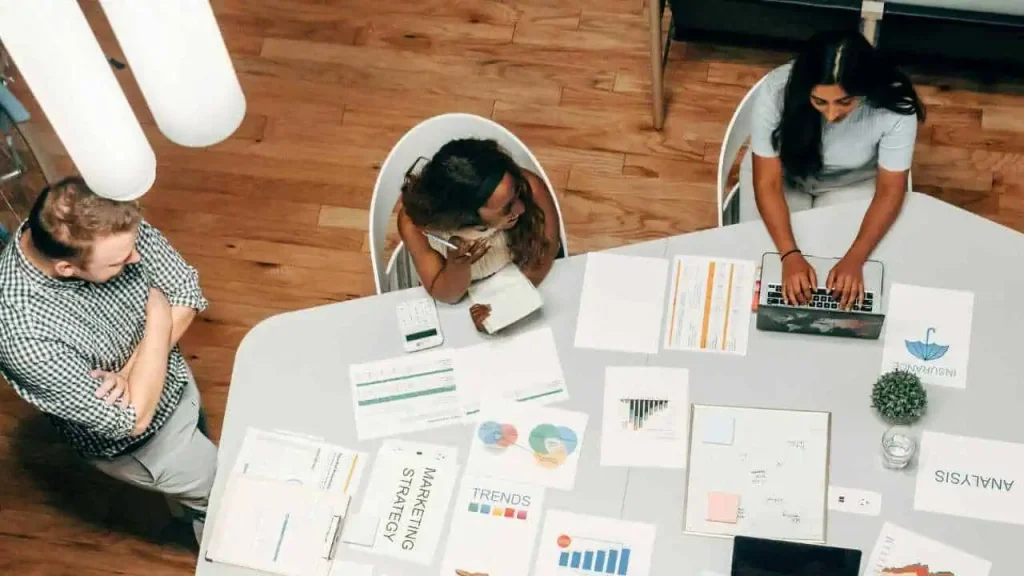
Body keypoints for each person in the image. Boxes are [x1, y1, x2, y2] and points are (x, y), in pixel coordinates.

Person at [0, 177, 213, 544]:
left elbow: (185, 291)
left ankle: (185, 506)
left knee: (199, 470)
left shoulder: (101, 222)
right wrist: (158, 318)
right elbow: (131, 418)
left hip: (176, 381)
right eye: (119, 263)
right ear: (67, 268)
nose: (136, 258)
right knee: (220, 498)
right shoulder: (23, 335)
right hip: (148, 446)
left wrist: (132, 369)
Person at [740, 30, 926, 309]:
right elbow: (766, 183)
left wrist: (855, 258)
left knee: (845, 276)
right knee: (762, 269)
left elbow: (890, 190)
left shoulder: (894, 106)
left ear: (865, 91)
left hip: (851, 181)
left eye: (845, 102)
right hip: (785, 176)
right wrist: (789, 254)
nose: (831, 115)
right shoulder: (777, 91)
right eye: (819, 101)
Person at [397, 138, 562, 330]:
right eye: (507, 208)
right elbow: (446, 295)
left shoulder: (531, 187)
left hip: (526, 279)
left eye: (517, 192)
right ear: (464, 219)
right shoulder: (415, 227)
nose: (522, 208)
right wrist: (458, 267)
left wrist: (506, 306)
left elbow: (545, 251)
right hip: (463, 304)